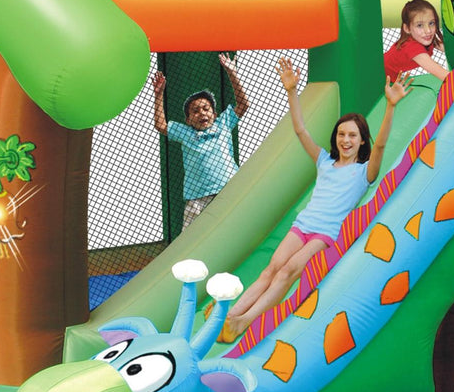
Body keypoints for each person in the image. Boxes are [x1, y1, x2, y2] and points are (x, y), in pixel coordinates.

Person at [218, 56, 413, 343]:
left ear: (362, 140)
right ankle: (230, 314)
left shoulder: (364, 173)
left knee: (287, 272)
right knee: (271, 269)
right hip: (303, 225)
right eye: (341, 134)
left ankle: (243, 322)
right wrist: (291, 91)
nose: (346, 140)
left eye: (353, 136)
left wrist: (391, 106)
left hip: (325, 234)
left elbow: (382, 144)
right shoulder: (324, 161)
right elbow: (300, 130)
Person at [153, 53, 249, 229]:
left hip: (228, 188)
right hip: (197, 196)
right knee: (191, 236)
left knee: (236, 228)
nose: (202, 113)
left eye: (206, 109)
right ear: (188, 120)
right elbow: (161, 125)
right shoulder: (185, 133)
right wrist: (158, 95)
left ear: (214, 113)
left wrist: (232, 73)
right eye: (195, 111)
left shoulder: (223, 123)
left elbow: (243, 105)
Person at [383, 0, 449, 82]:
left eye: (431, 23)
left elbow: (451, 51)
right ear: (407, 28)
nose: (428, 31)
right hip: (377, 74)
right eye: (420, 25)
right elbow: (441, 73)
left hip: (391, 76)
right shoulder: (412, 48)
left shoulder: (426, 39)